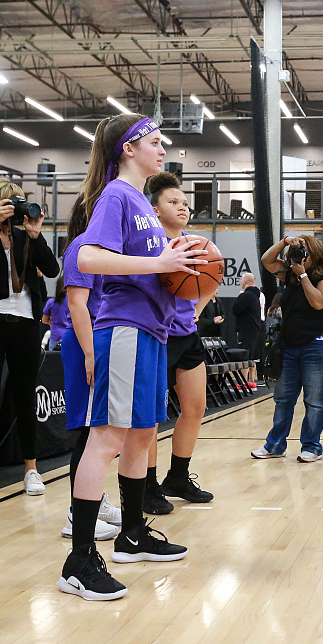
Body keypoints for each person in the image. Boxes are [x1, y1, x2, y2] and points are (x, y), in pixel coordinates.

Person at [60, 114, 201, 602]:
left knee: (142, 434)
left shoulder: (142, 203)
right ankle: (79, 560)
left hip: (154, 331)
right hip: (124, 328)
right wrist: (160, 260)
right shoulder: (116, 195)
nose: (163, 149)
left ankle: (133, 534)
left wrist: (181, 263)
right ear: (128, 148)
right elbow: (88, 258)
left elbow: (157, 271)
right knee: (107, 438)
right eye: (155, 142)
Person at [0, 176, 60, 500]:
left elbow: (52, 270)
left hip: (25, 324)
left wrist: (35, 234)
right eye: (10, 203)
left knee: (25, 398)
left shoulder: (24, 237)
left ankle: (31, 468)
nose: (17, 210)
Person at [142, 173, 214, 515]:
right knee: (152, 416)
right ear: (155, 209)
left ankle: (178, 478)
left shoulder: (195, 244)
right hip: (157, 335)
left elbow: (213, 280)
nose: (183, 207)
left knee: (196, 407)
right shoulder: (151, 244)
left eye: (185, 203)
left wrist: (196, 311)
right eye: (173, 202)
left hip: (187, 335)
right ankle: (146, 486)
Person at [57, 200, 122, 543]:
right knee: (87, 433)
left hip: (100, 340)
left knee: (100, 431)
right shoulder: (81, 248)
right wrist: (89, 352)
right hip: (86, 342)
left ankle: (95, 499)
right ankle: (76, 513)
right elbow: (77, 303)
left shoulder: (103, 253)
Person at [253, 235, 323, 462]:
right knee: (283, 397)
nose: (299, 257)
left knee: (315, 401)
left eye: (304, 252)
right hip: (290, 345)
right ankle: (274, 445)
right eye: (296, 253)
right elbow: (266, 260)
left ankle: (312, 447)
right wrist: (285, 242)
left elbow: (318, 302)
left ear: (315, 254)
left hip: (320, 344)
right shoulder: (289, 274)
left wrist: (302, 275)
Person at [233, 272, 264, 389]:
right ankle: (251, 380)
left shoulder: (246, 295)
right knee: (252, 356)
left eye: (241, 280)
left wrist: (240, 297)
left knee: (244, 356)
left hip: (246, 330)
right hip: (256, 329)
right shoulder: (257, 295)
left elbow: (235, 309)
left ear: (245, 281)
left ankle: (242, 382)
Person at [42, 278, 70, 351]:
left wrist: (52, 322)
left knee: (54, 357)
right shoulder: (72, 302)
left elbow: (44, 320)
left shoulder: (51, 302)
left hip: (56, 334)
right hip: (70, 334)